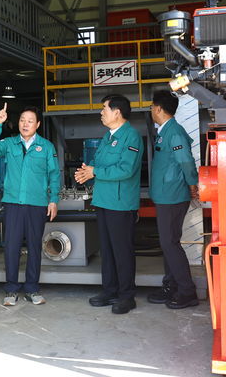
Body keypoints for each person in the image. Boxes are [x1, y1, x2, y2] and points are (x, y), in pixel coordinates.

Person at [0, 103, 60, 306]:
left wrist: (53, 200)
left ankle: (32, 289)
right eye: (22, 120)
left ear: (37, 125)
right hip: (13, 203)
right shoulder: (9, 144)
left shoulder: (46, 147)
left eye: (30, 121)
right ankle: (11, 289)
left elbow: (54, 174)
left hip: (37, 204)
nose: (25, 124)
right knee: (11, 246)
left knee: (35, 246)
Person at [74, 94, 143, 315]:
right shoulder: (108, 136)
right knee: (107, 250)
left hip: (120, 203)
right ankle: (110, 290)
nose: (101, 112)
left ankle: (126, 296)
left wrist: (95, 171)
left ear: (117, 112)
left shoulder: (131, 137)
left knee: (122, 251)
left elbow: (126, 170)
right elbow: (98, 165)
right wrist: (87, 172)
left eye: (104, 108)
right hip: (103, 200)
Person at [147, 90, 200, 309]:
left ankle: (187, 292)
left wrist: (193, 184)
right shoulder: (164, 132)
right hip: (165, 195)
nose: (151, 110)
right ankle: (172, 286)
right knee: (167, 243)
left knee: (170, 243)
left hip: (173, 196)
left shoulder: (174, 132)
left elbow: (186, 162)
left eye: (152, 106)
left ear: (158, 108)